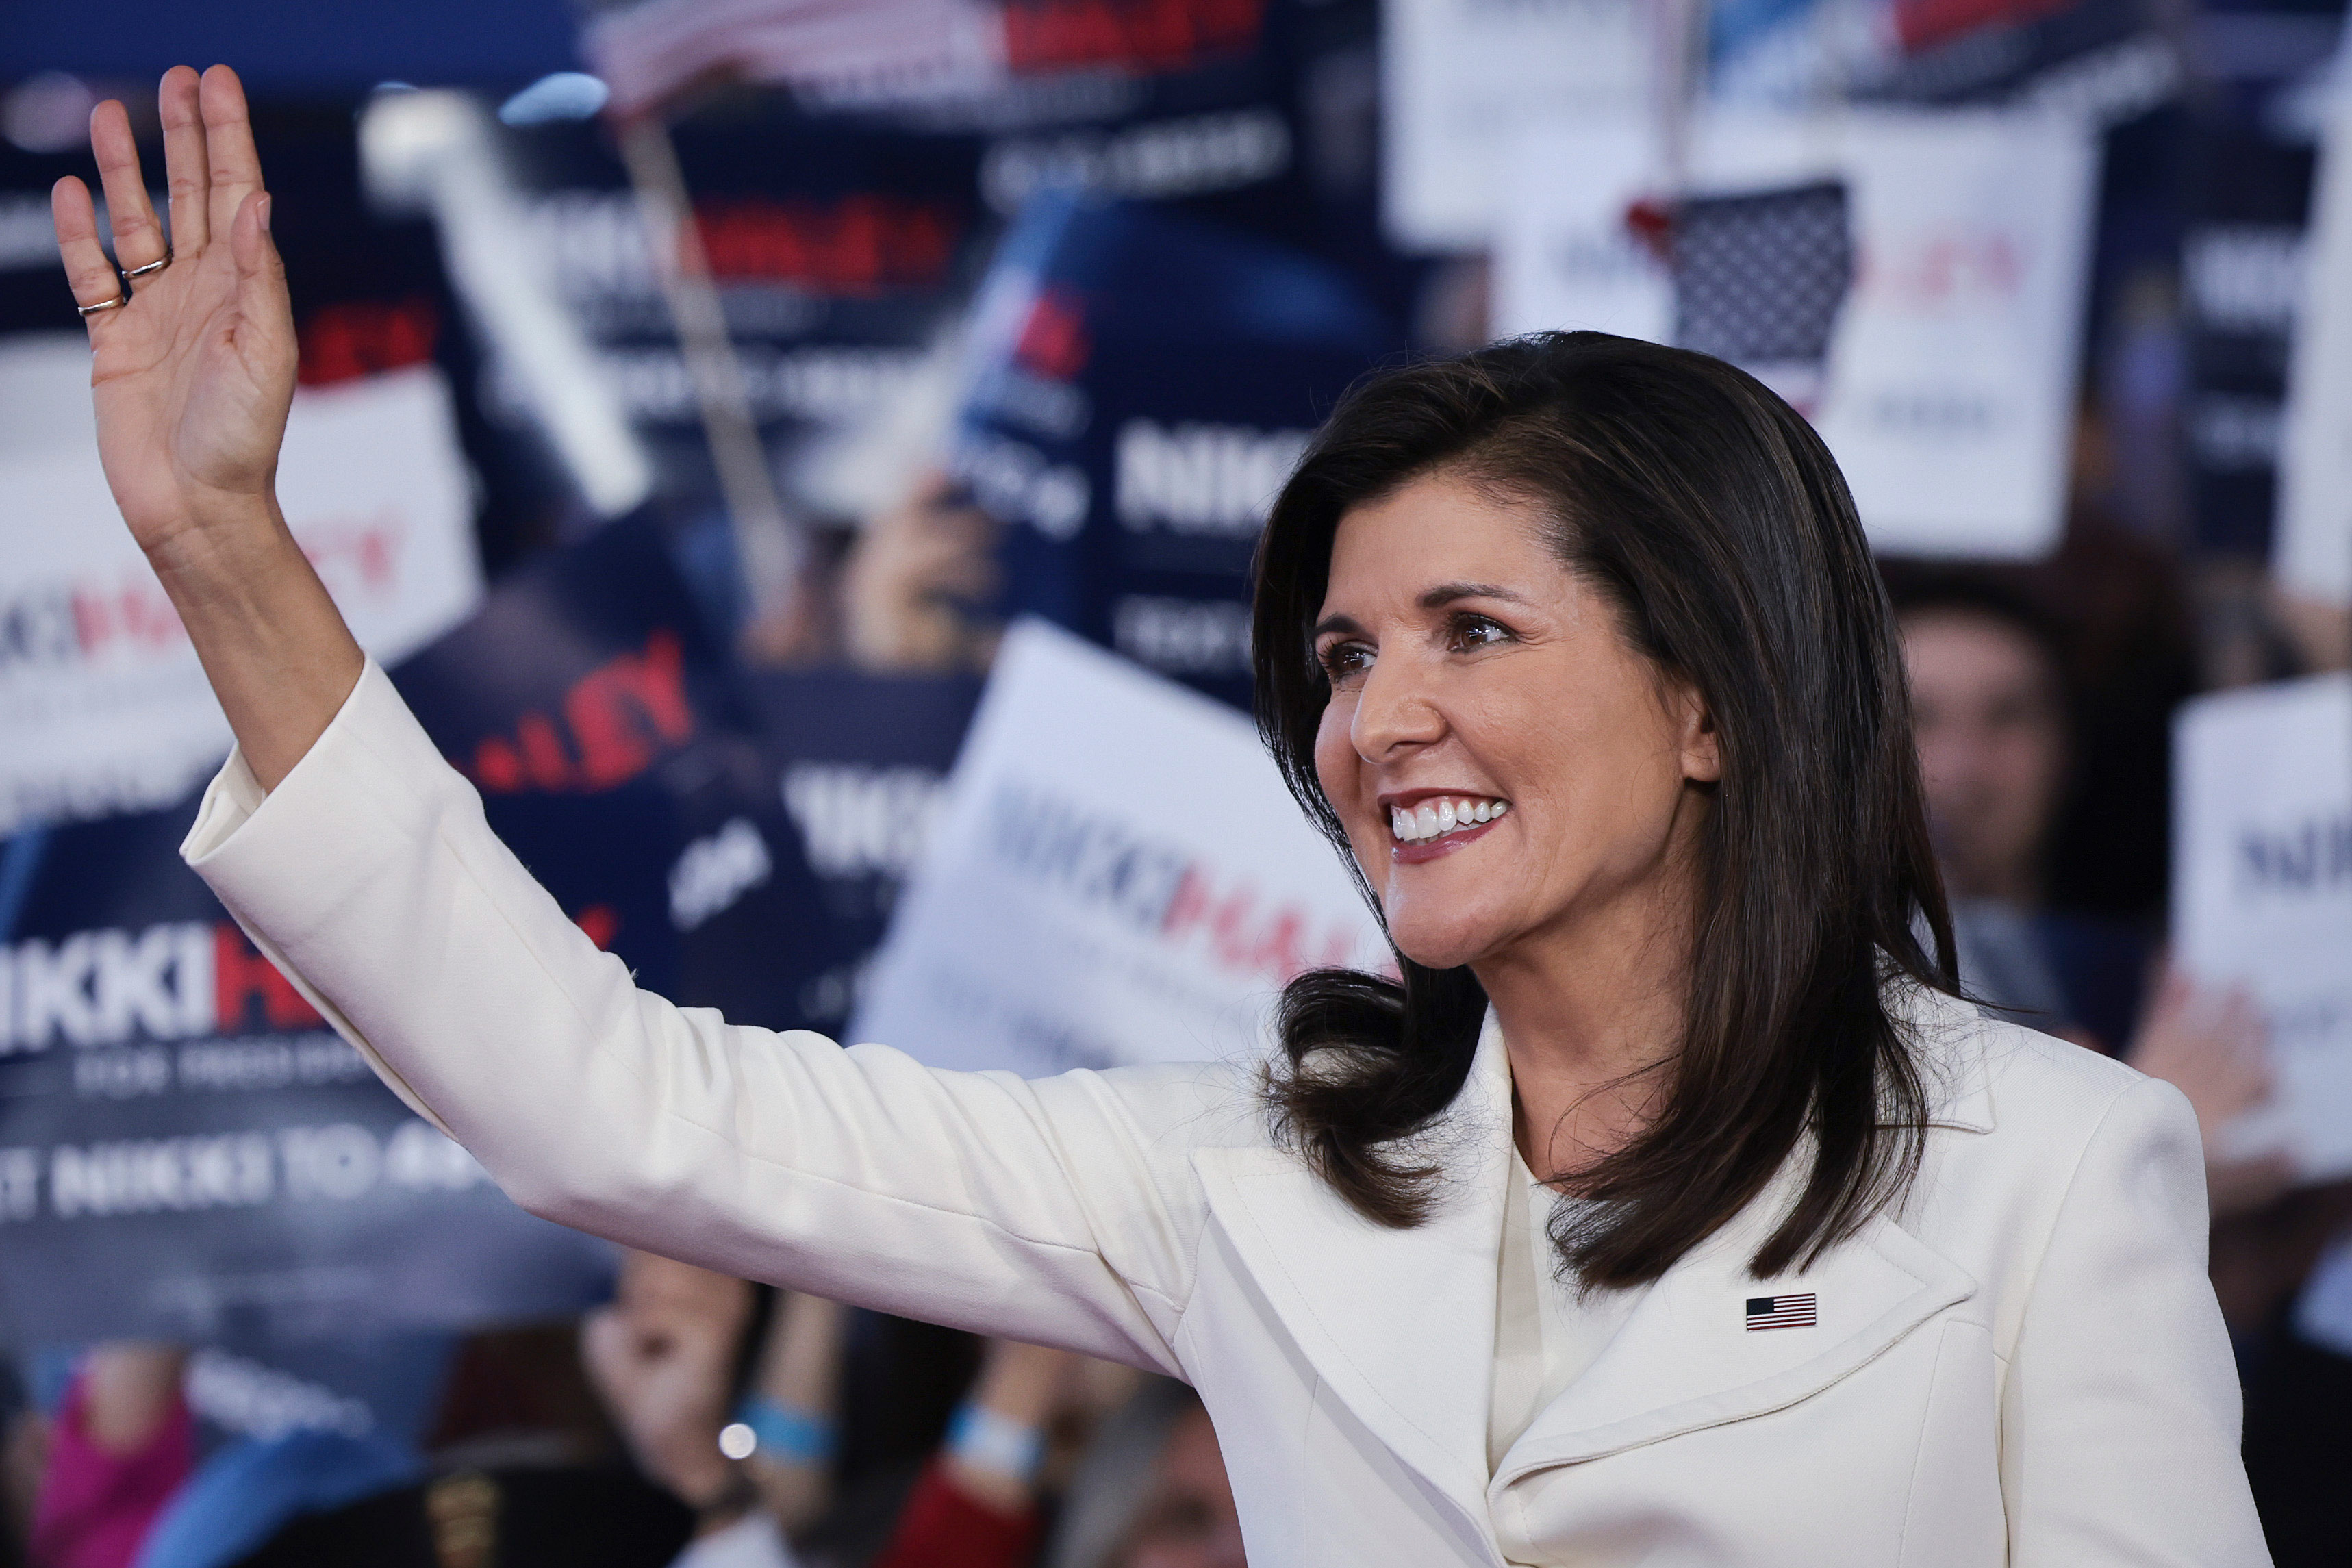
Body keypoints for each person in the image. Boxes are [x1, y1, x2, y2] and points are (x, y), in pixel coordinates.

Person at [55, 66, 2263, 1565]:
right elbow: (615, 1113)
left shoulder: (2052, 1166)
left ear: (1706, 694)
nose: (1376, 716)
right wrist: (230, 549)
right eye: (1336, 656)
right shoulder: (1249, 1177)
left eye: (1468, 630)